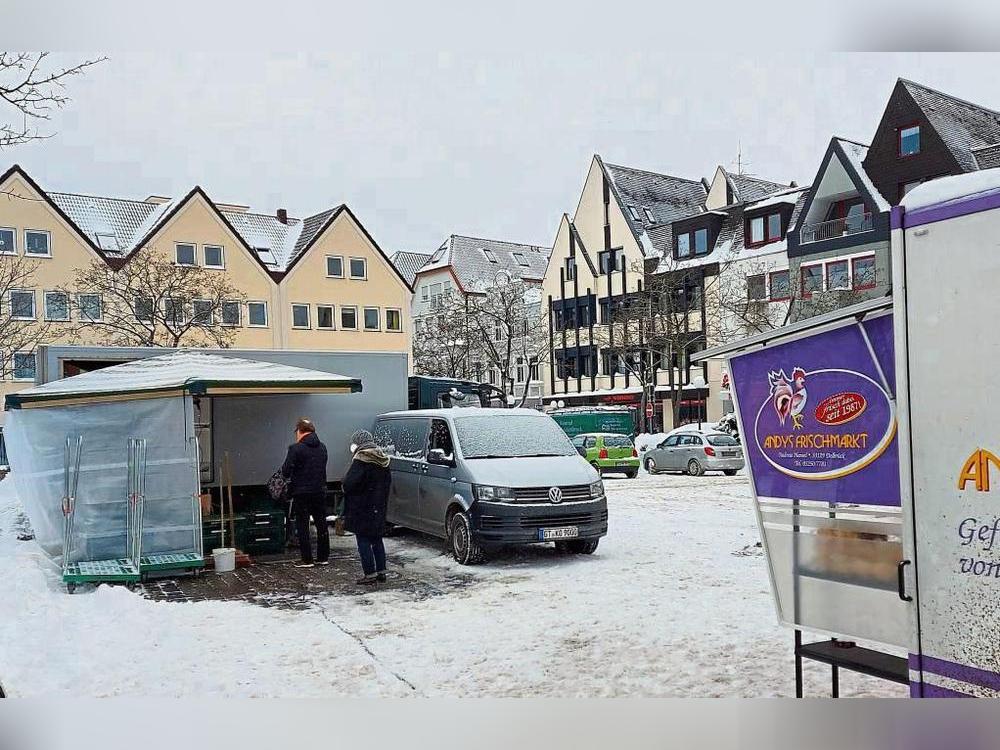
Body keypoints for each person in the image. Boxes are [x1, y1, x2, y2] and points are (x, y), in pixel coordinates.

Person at [342, 429, 392, 585]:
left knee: (362, 539)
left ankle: (369, 573)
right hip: (378, 506)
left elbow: (349, 483)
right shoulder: (383, 460)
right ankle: (381, 571)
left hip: (361, 507)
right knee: (376, 539)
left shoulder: (361, 460)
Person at [281, 418, 329, 568]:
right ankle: (323, 557)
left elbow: (286, 471)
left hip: (301, 492)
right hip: (320, 491)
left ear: (300, 432)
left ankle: (307, 559)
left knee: (303, 526)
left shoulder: (295, 449)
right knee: (321, 524)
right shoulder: (322, 447)